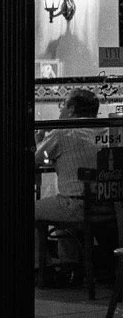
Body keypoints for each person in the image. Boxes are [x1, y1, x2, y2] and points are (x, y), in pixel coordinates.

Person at [35, 88, 103, 224]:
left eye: (63, 105)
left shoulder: (63, 132)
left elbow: (38, 159)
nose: (61, 110)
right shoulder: (106, 130)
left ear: (71, 109)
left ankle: (40, 246)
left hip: (75, 206)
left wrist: (39, 139)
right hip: (107, 207)